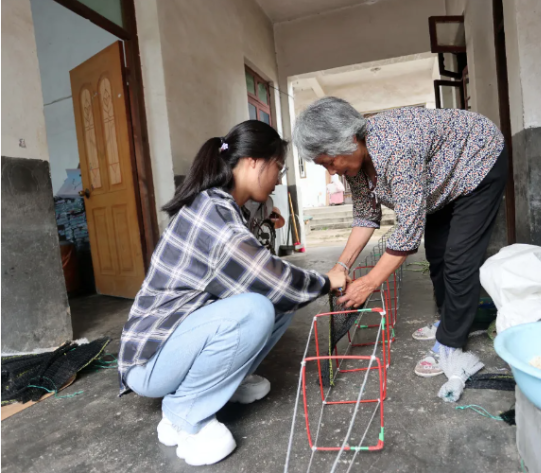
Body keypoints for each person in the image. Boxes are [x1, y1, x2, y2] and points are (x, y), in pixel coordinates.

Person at [118, 121, 347, 466]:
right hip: (149, 362)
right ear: (254, 162)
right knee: (258, 307)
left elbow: (270, 278)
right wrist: (327, 281)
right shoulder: (213, 215)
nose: (278, 178)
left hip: (173, 347)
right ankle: (184, 417)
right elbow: (272, 279)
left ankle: (227, 383)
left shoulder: (224, 206)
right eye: (278, 168)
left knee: (278, 304)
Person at [293, 97, 507, 379]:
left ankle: (451, 344)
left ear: (351, 139)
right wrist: (341, 266)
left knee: (458, 258)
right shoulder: (355, 161)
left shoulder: (396, 148)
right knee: (438, 254)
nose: (332, 172)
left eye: (331, 162)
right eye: (324, 166)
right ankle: (449, 321)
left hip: (477, 161)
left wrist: (368, 283)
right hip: (441, 180)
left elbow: (408, 232)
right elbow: (366, 216)